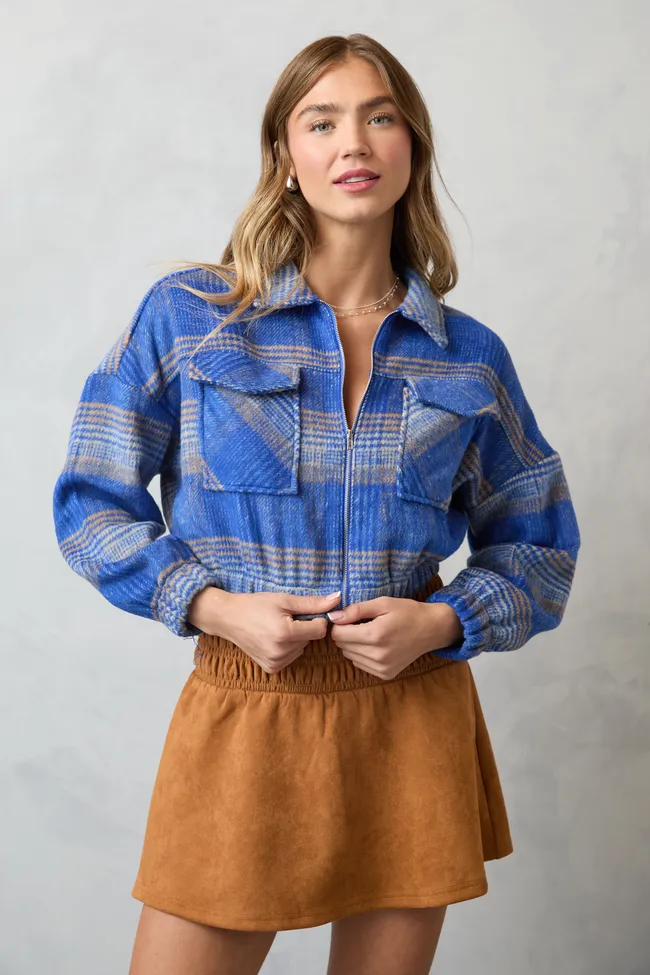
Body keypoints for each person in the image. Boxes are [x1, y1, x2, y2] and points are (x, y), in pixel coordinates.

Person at [52, 33, 581, 975]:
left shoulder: (468, 355)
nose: (355, 143)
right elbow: (91, 505)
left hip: (410, 721)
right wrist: (214, 608)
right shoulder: (192, 316)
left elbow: (540, 548)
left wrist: (442, 621)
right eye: (322, 121)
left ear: (412, 148)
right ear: (284, 155)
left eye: (380, 118)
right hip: (245, 711)